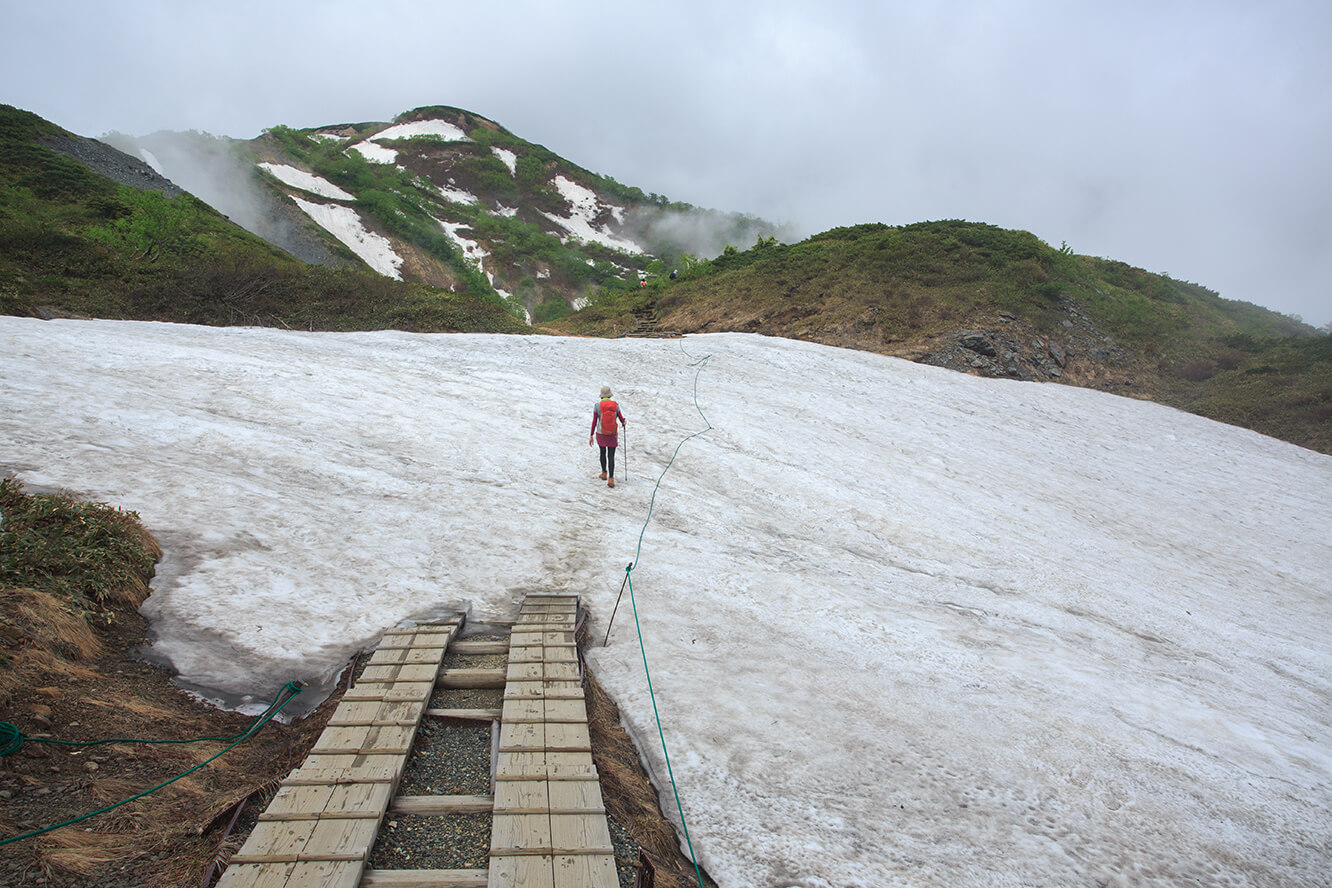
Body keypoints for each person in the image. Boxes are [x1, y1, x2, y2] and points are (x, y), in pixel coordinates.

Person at [590, 385, 626, 488]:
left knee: (602, 452)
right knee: (611, 456)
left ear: (601, 396)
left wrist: (591, 434)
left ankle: (604, 473)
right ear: (610, 396)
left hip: (601, 433)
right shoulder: (616, 405)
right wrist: (624, 422)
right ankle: (611, 478)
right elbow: (621, 418)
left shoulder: (597, 406)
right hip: (612, 434)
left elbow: (594, 421)